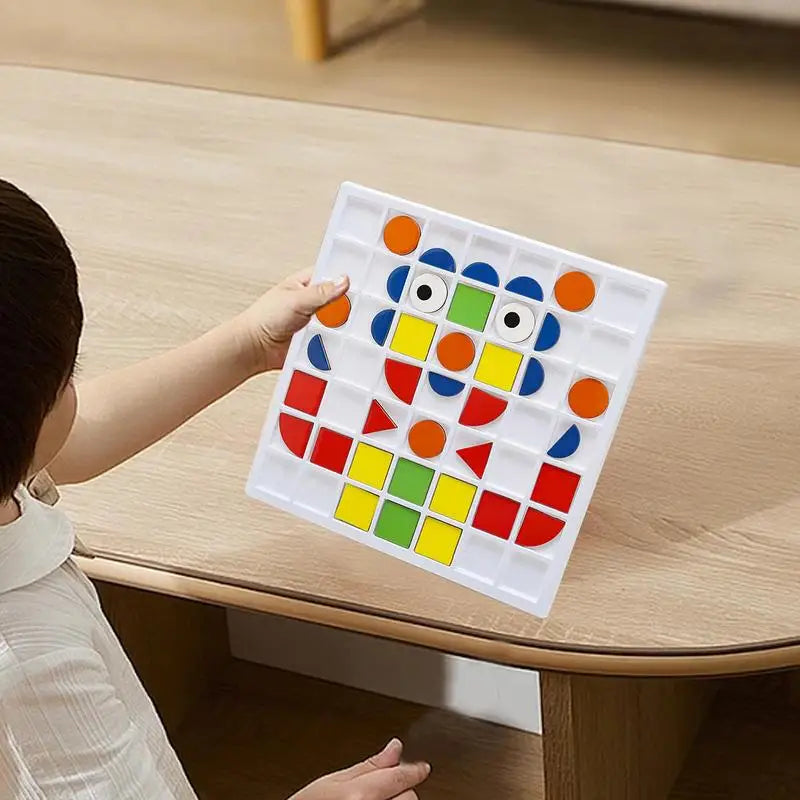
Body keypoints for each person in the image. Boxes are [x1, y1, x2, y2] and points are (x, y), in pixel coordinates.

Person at [0, 178, 431, 800]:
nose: (74, 391)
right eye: (69, 376)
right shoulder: (31, 671)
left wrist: (247, 346)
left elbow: (73, 436)